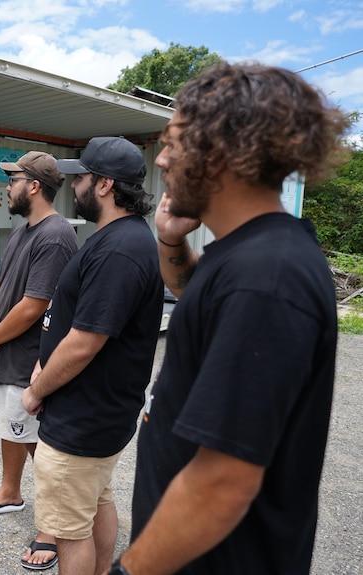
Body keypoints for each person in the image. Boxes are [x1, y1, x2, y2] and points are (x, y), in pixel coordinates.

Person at [107, 64, 349, 575]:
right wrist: (171, 240)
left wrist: (127, 572)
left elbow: (222, 484)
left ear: (220, 153)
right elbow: (200, 298)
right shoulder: (245, 255)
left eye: (174, 143)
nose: (164, 158)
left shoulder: (266, 278)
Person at [21, 137, 163, 575]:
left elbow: (86, 341)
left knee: (68, 531)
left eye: (80, 177)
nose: (73, 185)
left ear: (104, 185)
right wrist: (45, 362)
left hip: (85, 417)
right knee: (95, 502)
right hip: (96, 411)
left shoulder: (120, 249)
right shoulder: (118, 239)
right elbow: (74, 324)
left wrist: (36, 390)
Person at [0, 151, 79, 571]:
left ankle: (52, 527)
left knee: (40, 444)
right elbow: (0, 282)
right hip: (5, 353)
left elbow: (36, 304)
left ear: (33, 186)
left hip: (29, 359)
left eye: (12, 180)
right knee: (9, 427)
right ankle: (9, 493)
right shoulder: (24, 231)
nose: (7, 187)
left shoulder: (56, 235)